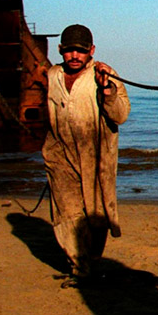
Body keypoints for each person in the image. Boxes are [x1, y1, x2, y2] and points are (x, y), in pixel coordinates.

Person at [42, 23, 130, 282]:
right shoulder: (51, 76)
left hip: (97, 155)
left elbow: (121, 115)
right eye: (69, 51)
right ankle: (79, 268)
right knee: (67, 212)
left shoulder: (104, 74)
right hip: (60, 154)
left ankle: (91, 260)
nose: (74, 56)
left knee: (97, 214)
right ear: (60, 50)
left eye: (80, 51)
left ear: (91, 50)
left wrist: (107, 90)